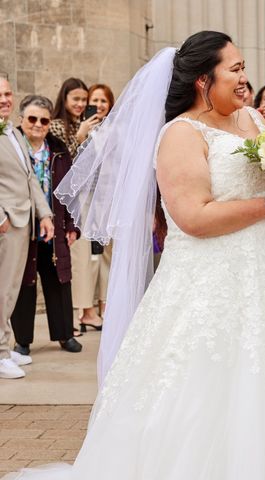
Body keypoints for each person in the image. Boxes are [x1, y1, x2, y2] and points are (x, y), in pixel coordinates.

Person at [3, 31, 265, 479]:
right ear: (203, 80)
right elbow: (192, 217)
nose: (244, 78)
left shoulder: (253, 119)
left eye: (242, 68)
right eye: (234, 69)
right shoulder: (180, 134)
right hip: (211, 281)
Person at [10, 95, 82, 354]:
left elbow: (71, 191)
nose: (38, 124)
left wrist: (73, 225)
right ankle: (22, 341)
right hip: (22, 228)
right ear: (21, 120)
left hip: (55, 228)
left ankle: (65, 335)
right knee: (24, 283)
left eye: (44, 120)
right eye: (32, 119)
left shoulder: (59, 150)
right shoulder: (10, 146)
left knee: (59, 281)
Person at [0, 77, 55, 379]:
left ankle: (5, 349)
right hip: (6, 224)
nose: (5, 99)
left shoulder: (14, 133)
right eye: (0, 95)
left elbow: (30, 178)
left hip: (24, 222)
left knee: (9, 290)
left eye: (8, 93)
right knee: (2, 290)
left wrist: (45, 215)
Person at [67, 84, 116, 332]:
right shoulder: (77, 127)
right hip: (85, 199)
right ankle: (84, 309)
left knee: (108, 253)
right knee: (85, 255)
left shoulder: (116, 130)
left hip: (107, 197)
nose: (98, 105)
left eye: (103, 101)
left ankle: (105, 304)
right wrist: (82, 134)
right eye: (94, 100)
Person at [50, 78, 100, 158]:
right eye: (76, 99)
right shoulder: (55, 126)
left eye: (84, 100)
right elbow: (60, 160)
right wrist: (78, 138)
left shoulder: (84, 125)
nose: (80, 104)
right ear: (64, 99)